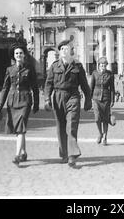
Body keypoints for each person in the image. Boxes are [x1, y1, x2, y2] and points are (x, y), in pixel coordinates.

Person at [44, 39, 92, 168]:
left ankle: (72, 156)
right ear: (59, 52)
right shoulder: (54, 66)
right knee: (60, 127)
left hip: (73, 96)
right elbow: (48, 84)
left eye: (67, 48)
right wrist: (47, 99)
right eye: (62, 49)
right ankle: (64, 154)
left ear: (71, 51)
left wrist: (88, 99)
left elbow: (84, 85)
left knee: (71, 126)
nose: (65, 51)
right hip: (58, 97)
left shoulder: (78, 66)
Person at [0, 43, 39, 167]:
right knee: (19, 130)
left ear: (24, 55)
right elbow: (5, 88)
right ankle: (24, 152)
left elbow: (35, 87)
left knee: (20, 127)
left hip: (25, 101)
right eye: (16, 53)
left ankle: (17, 155)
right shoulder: (10, 69)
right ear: (14, 56)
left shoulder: (30, 68)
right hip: (12, 101)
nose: (18, 55)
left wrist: (36, 104)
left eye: (20, 53)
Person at [89, 57, 115, 146]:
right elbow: (91, 87)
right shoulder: (94, 73)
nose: (103, 66)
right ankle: (100, 133)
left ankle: (105, 137)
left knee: (105, 119)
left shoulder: (110, 74)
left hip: (106, 99)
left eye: (104, 65)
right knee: (97, 118)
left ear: (106, 66)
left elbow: (112, 89)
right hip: (96, 99)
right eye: (101, 65)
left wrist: (112, 100)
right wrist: (89, 99)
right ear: (99, 65)